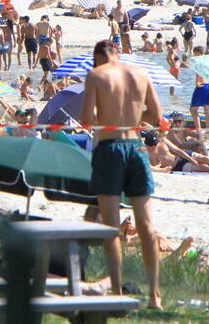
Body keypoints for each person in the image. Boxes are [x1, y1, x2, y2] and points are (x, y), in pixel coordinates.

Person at [80, 40, 164, 309]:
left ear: (98, 57)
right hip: (136, 146)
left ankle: (116, 292)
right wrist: (133, 112)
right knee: (146, 226)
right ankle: (154, 296)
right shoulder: (141, 74)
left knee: (111, 227)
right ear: (117, 53)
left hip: (110, 148)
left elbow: (86, 121)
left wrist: (106, 111)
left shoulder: (96, 75)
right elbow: (158, 116)